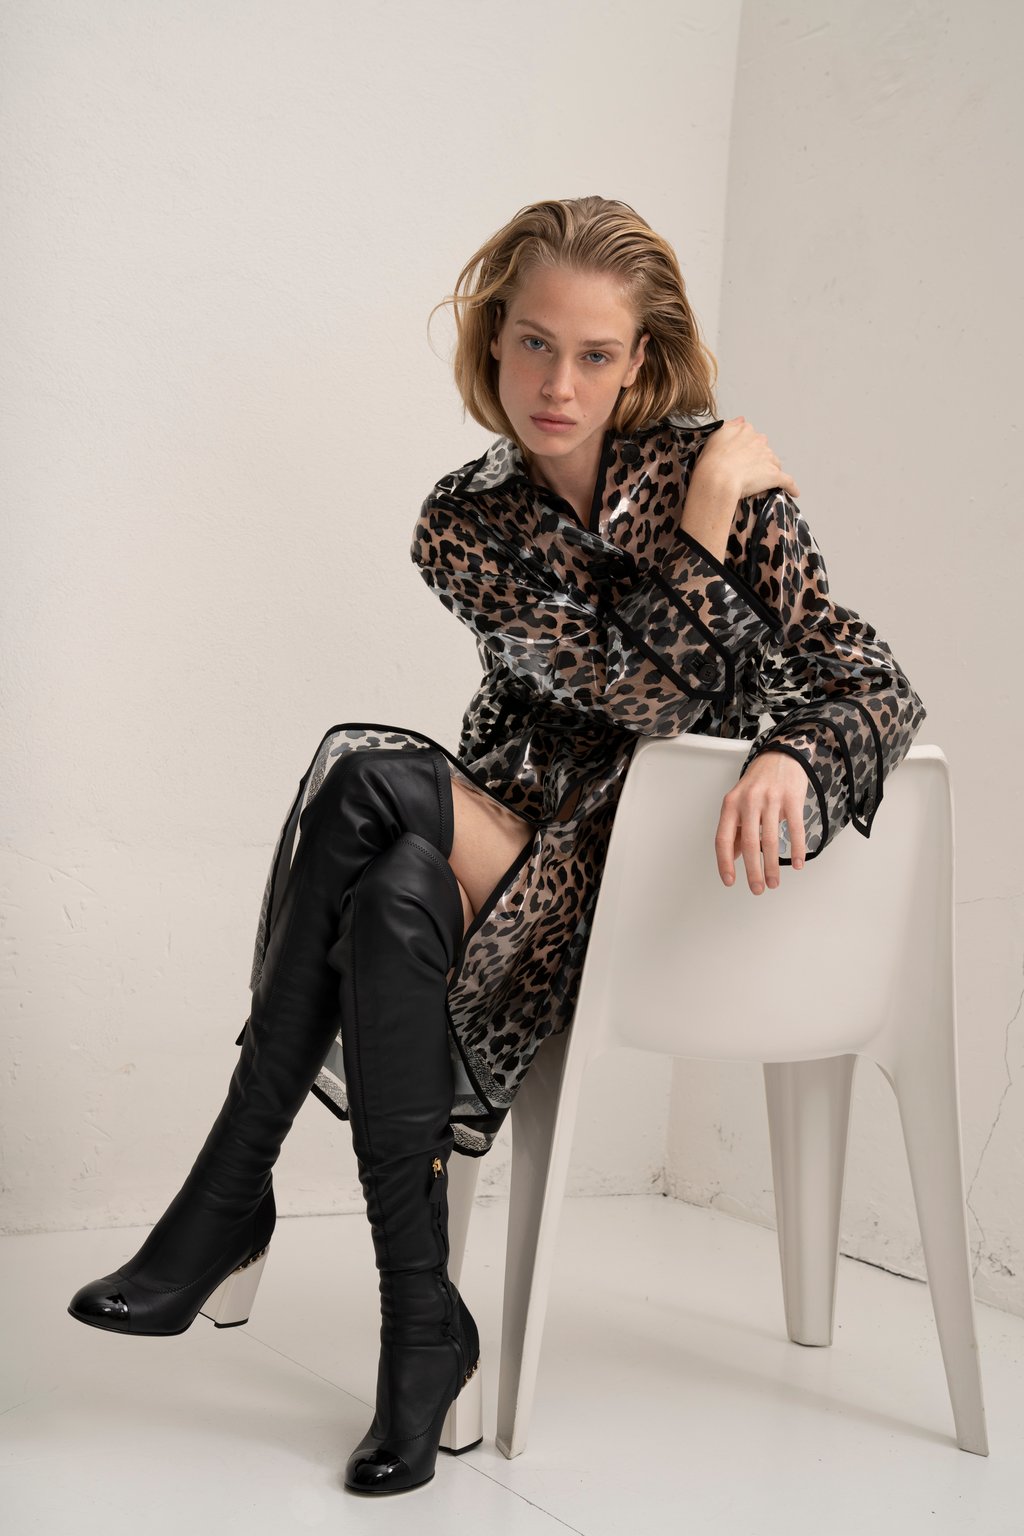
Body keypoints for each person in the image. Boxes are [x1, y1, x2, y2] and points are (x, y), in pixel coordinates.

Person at [66, 195, 927, 1496]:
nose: (556, 385)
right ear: (494, 340)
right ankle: (422, 1330)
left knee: (365, 789)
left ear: (641, 362)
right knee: (393, 882)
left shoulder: (729, 493)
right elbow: (618, 680)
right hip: (513, 848)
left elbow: (863, 681)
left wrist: (791, 749)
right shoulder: (464, 521)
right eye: (533, 344)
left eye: (593, 354)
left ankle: (230, 1196)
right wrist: (701, 537)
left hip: (658, 884)